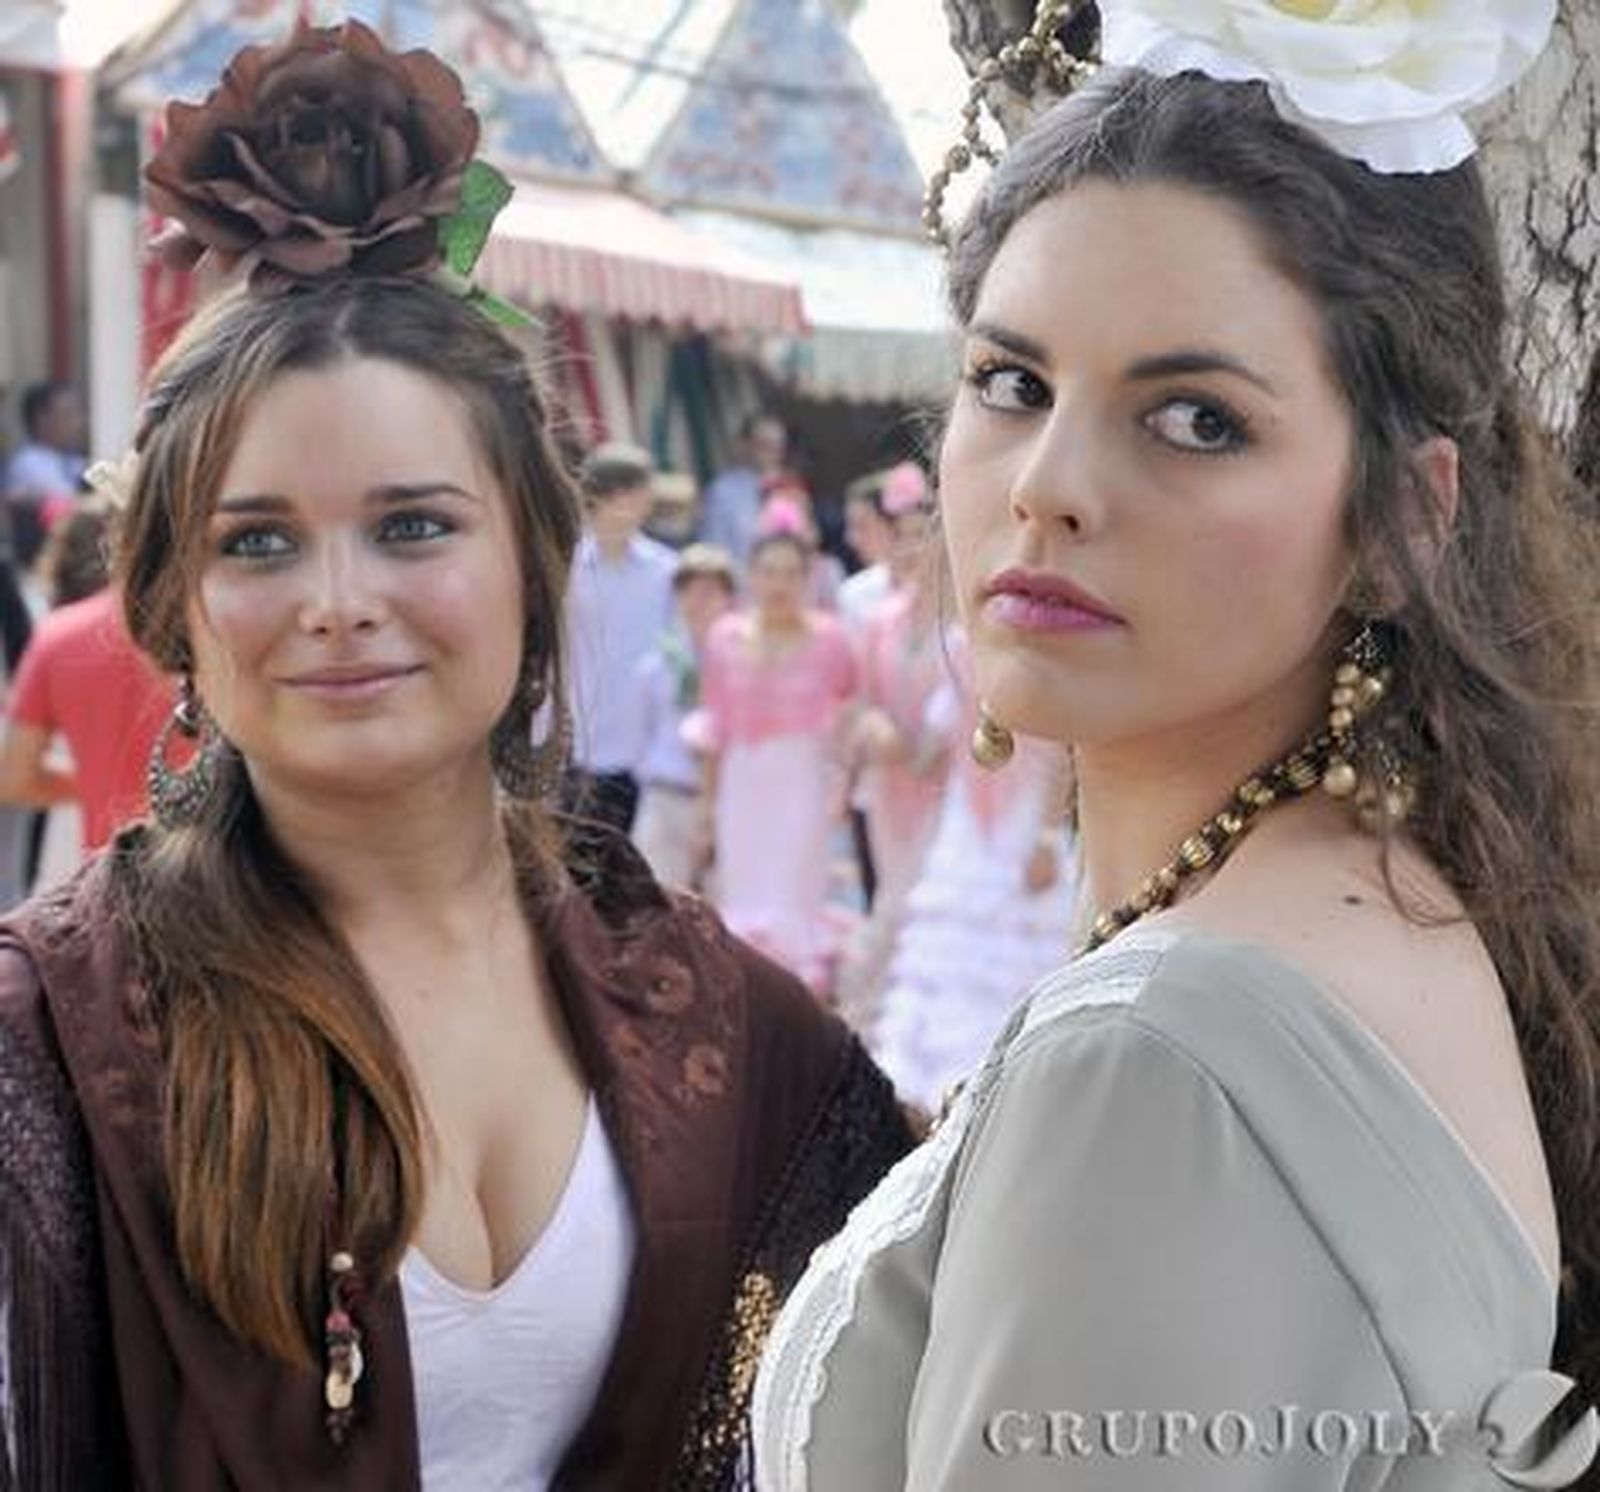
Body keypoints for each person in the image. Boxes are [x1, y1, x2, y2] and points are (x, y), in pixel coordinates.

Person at [0, 22, 912, 1490]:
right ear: (174, 605)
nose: (340, 599)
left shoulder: (722, 1027)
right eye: (260, 542)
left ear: (535, 565)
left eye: (414, 525)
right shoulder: (56, 1043)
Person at [756, 9, 1600, 1488]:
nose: (1051, 489)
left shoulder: (1160, 1059)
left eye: (1198, 420)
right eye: (1010, 383)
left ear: (1407, 516)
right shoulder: (1386, 901)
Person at [688, 505, 859, 995]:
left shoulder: (830, 639)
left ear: (808, 577)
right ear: (751, 575)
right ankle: (751, 995)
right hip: (742, 783)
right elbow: (713, 727)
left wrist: (843, 783)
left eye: (790, 572)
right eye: (768, 571)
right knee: (744, 892)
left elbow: (853, 709)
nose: (778, 583)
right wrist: (705, 806)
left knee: (794, 894)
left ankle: (801, 1001)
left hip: (802, 779)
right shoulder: (725, 637)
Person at [0, 498, 175, 853]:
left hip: (106, 879)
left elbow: (14, 776)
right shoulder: (220, 633)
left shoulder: (57, 635)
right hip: (219, 883)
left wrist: (96, 782)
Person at [563, 441, 677, 836]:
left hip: (645, 749)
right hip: (575, 742)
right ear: (619, 494)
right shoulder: (566, 568)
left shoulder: (666, 571)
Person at [628, 542, 737, 891]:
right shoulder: (656, 664)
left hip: (729, 802)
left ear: (728, 597)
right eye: (689, 591)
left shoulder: (743, 664)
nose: (699, 601)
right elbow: (638, 735)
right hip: (666, 796)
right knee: (660, 910)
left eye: (710, 591)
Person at [3, 381, 87, 569]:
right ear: (42, 418)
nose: (78, 422)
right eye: (68, 414)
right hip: (39, 568)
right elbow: (72, 504)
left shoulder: (73, 461)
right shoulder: (29, 462)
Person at [700, 411, 788, 570]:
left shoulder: (788, 489)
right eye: (764, 445)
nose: (772, 454)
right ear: (744, 444)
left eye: (778, 447)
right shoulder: (723, 492)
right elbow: (714, 549)